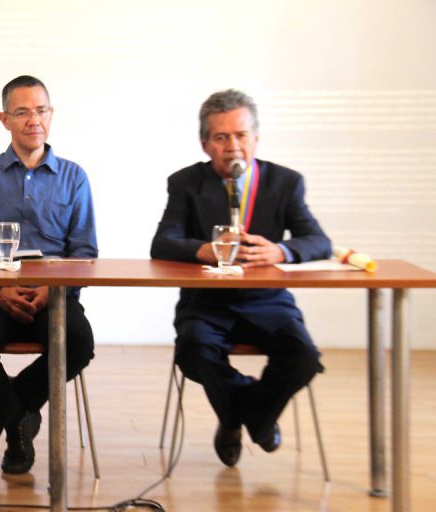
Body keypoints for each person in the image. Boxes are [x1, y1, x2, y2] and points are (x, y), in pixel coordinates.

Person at [150, 89, 331, 467]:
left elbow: (319, 241)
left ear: (256, 139)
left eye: (241, 135)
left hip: (268, 301)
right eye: (221, 137)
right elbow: (163, 243)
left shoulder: (285, 182)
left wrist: (280, 251)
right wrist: (206, 250)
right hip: (206, 303)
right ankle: (251, 415)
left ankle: (239, 415)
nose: (233, 146)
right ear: (205, 144)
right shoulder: (185, 183)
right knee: (194, 352)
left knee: (303, 357)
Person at [0, 75, 98, 475]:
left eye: (41, 110)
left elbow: (84, 253)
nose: (34, 120)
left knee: (80, 342)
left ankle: (8, 411)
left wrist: (53, 290)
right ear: (4, 119)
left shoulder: (73, 177)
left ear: (51, 114)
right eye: (22, 112)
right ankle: (18, 419)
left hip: (55, 297)